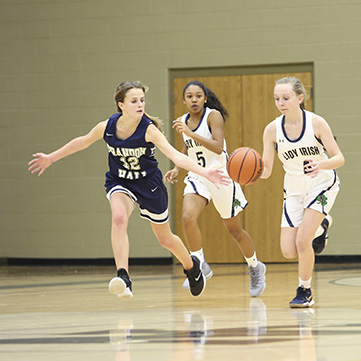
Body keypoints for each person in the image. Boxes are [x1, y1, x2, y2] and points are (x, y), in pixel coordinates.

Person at [28, 81, 231, 299]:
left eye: (142, 100)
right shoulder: (107, 126)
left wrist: (205, 172)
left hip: (149, 185)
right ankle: (124, 277)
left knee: (165, 239)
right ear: (121, 104)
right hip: (120, 181)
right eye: (134, 101)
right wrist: (51, 157)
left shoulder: (149, 130)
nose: (140, 104)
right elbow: (82, 142)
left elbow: (176, 156)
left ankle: (192, 267)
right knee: (118, 217)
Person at [163, 80, 266, 297]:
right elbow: (187, 147)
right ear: (184, 100)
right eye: (189, 96)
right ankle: (200, 262)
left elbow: (218, 148)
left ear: (205, 98)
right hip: (198, 176)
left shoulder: (213, 116)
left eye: (198, 95)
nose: (194, 100)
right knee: (187, 218)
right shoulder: (183, 121)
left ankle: (255, 266)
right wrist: (176, 168)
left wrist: (191, 134)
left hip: (222, 176)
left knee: (235, 231)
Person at [259, 77, 344, 308]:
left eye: (285, 98)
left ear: (300, 98)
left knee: (303, 241)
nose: (281, 103)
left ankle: (304, 290)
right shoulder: (272, 130)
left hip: (321, 183)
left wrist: (320, 164)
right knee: (288, 250)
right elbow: (266, 171)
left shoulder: (316, 123)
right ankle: (322, 224)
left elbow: (339, 158)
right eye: (277, 98)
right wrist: (244, 173)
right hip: (294, 189)